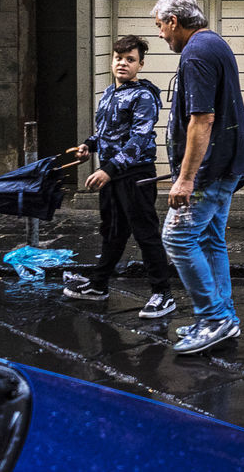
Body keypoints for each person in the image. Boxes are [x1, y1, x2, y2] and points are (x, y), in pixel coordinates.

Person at [153, 0, 244, 355]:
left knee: (177, 238)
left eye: (161, 26)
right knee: (211, 239)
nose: (161, 34)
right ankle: (224, 316)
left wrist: (185, 177)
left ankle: (214, 319)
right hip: (226, 164)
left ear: (175, 21)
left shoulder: (195, 53)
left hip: (209, 171)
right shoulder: (215, 43)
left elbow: (202, 118)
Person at [63, 35, 174, 319]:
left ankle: (163, 294)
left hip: (135, 175)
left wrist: (108, 170)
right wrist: (89, 145)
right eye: (118, 58)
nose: (122, 64)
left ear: (141, 64)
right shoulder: (109, 92)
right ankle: (99, 285)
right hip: (111, 175)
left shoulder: (144, 96)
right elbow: (105, 132)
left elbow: (137, 141)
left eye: (130, 60)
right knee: (112, 231)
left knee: (145, 233)